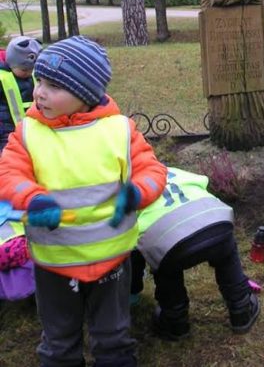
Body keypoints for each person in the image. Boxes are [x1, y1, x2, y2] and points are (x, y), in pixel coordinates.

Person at [0, 36, 167, 367]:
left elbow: (152, 170)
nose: (39, 92)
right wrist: (32, 199)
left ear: (85, 93)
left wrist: (136, 192)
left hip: (111, 261)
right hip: (54, 264)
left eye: (53, 86)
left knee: (114, 338)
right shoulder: (29, 132)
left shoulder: (120, 130)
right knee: (59, 342)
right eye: (39, 81)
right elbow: (9, 172)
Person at [130, 166, 260, 341]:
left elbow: (132, 251)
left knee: (164, 266)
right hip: (215, 220)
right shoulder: (172, 170)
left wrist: (133, 289)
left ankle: (175, 320)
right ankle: (242, 307)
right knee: (226, 254)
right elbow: (202, 184)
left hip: (167, 240)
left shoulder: (127, 190)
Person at [0, 36, 42, 150]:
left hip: (31, 127)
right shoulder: (2, 77)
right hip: (6, 129)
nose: (28, 73)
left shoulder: (32, 76)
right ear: (11, 63)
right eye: (24, 70)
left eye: (31, 69)